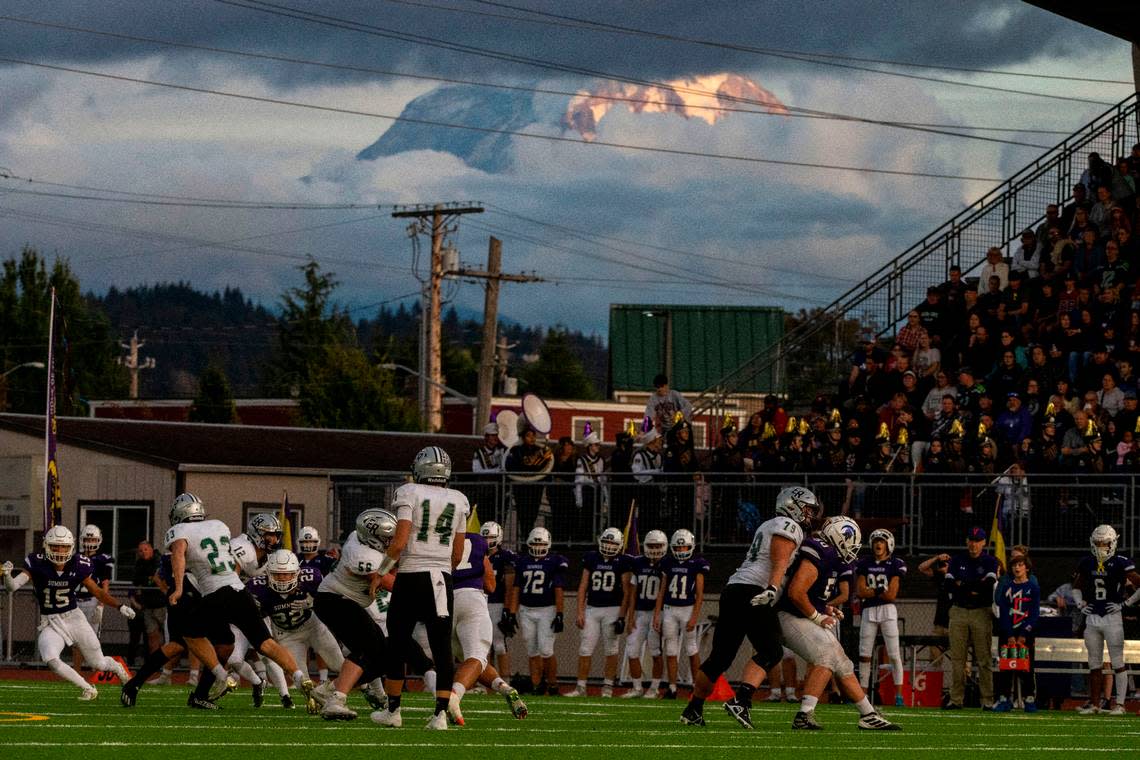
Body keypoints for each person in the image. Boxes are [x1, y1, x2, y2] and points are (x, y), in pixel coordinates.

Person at [679, 486, 820, 727]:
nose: (809, 514)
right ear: (792, 505)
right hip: (755, 590)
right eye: (806, 508)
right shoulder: (789, 526)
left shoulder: (769, 524)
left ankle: (693, 708)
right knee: (771, 651)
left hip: (734, 588)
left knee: (720, 658)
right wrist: (773, 589)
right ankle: (741, 701)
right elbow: (779, 560)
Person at [164, 493, 314, 711]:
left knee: (189, 633)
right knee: (266, 643)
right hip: (239, 592)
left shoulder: (181, 532)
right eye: (269, 535)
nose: (273, 539)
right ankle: (301, 678)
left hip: (218, 592)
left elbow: (179, 554)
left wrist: (178, 588)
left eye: (274, 536)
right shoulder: (220, 527)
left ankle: (222, 676)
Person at [372, 446, 469, 731]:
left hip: (411, 575)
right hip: (440, 576)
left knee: (397, 643)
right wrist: (443, 572)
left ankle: (394, 711)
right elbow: (458, 551)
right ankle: (439, 715)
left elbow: (400, 541)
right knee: (441, 646)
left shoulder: (408, 492)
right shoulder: (459, 499)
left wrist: (382, 572)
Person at [1, 526, 133, 700]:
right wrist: (8, 576)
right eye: (55, 546)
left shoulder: (79, 564)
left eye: (64, 546)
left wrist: (119, 606)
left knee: (98, 663)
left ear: (71, 547)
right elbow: (13, 587)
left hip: (74, 618)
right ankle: (88, 688)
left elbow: (98, 591)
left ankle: (117, 668)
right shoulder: (37, 562)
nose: (60, 550)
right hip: (50, 622)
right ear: (46, 546)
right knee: (50, 658)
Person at [310, 508, 397, 720]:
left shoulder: (358, 538)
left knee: (383, 655)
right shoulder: (363, 556)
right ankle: (336, 700)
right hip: (334, 600)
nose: (390, 542)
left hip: (345, 601)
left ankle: (328, 690)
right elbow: (392, 584)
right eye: (387, 538)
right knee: (366, 647)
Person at [444, 529, 528, 725]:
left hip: (445, 600)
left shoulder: (437, 540)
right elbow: (490, 585)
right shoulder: (475, 541)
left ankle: (505, 688)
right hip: (471, 598)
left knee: (467, 659)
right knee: (477, 657)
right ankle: (454, 696)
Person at [249, 550, 343, 711]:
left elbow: (330, 597)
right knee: (300, 678)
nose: (283, 578)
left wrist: (313, 602)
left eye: (287, 574)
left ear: (297, 573)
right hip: (287, 635)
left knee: (339, 664)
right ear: (269, 573)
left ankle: (370, 689)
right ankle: (316, 699)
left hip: (313, 627)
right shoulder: (257, 587)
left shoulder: (312, 577)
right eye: (277, 574)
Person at [1071, 524, 1140, 715]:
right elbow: (1076, 586)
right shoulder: (1087, 562)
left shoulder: (1121, 562)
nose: (1101, 546)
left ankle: (1119, 704)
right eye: (1098, 543)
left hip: (1112, 616)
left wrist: (1125, 604)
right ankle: (1094, 704)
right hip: (1093, 617)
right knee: (1094, 662)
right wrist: (1080, 604)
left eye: (1104, 543)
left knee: (1117, 661)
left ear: (1113, 543)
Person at [568, 527, 631, 698]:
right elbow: (583, 586)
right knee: (585, 648)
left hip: (613, 609)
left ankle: (608, 688)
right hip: (592, 609)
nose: (609, 546)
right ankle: (581, 687)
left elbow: (627, 592)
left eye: (612, 543)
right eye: (607, 542)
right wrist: (580, 611)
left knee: (611, 649)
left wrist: (622, 616)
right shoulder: (592, 558)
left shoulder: (623, 561)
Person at [506, 526, 568, 696]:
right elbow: (517, 588)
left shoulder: (554, 561)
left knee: (546, 650)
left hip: (547, 610)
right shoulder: (523, 562)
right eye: (535, 543)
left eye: (541, 543)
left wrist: (560, 613)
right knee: (532, 650)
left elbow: (558, 589)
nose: (538, 546)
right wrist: (512, 613)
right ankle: (536, 685)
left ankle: (553, 685)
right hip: (526, 610)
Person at [944, 526, 1000, 710]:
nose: (973, 544)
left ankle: (987, 700)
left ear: (983, 542)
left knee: (983, 658)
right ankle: (956, 699)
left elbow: (988, 585)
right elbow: (949, 584)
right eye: (971, 540)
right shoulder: (957, 559)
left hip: (981, 612)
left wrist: (963, 585)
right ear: (967, 541)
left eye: (977, 541)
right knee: (958, 659)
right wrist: (974, 586)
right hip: (959, 610)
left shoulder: (991, 561)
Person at [653, 529, 709, 700]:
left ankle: (696, 687)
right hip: (670, 609)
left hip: (687, 609)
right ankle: (672, 688)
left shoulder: (697, 563)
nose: (681, 551)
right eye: (678, 548)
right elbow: (662, 590)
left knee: (691, 649)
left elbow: (700, 595)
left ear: (690, 547)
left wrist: (694, 617)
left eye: (684, 547)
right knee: (670, 649)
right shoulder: (668, 562)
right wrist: (657, 614)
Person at [855, 528, 908, 705]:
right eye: (876, 540)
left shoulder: (896, 563)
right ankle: (862, 694)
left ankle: (899, 695)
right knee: (864, 654)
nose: (878, 544)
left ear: (889, 544)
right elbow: (860, 590)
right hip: (869, 610)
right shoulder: (863, 563)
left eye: (882, 541)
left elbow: (891, 594)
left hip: (887, 610)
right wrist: (879, 590)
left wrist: (872, 592)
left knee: (894, 654)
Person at [622, 529, 667, 699]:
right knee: (632, 650)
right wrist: (630, 616)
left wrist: (658, 615)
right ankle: (637, 687)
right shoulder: (638, 563)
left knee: (655, 651)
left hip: (658, 613)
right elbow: (633, 592)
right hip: (640, 613)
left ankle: (654, 688)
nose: (655, 549)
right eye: (651, 545)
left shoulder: (666, 563)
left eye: (658, 545)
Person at [992, 554, 1040, 713]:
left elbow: (1034, 613)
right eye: (1014, 565)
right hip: (1008, 634)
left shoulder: (1032, 588)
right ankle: (1004, 699)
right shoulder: (1007, 587)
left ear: (1026, 568)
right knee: (1006, 666)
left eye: (1020, 565)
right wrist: (1010, 634)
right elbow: (1004, 612)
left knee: (1026, 666)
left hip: (1025, 634)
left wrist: (1023, 634)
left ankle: (1029, 699)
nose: (1017, 568)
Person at [72, 525, 114, 673]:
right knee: (77, 640)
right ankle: (76, 672)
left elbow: (105, 583)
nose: (90, 541)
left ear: (99, 540)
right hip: (76, 601)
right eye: (87, 538)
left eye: (93, 538)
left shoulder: (103, 559)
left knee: (93, 640)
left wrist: (101, 604)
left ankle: (96, 670)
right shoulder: (75, 557)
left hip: (93, 601)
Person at [482, 521, 517, 679]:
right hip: (480, 603)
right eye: (485, 536)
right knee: (483, 646)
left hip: (497, 604)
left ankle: (505, 679)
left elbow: (510, 587)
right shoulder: (478, 554)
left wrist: (507, 609)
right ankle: (486, 683)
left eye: (491, 536)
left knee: (499, 645)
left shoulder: (505, 557)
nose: (488, 539)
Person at [129, 540, 167, 671]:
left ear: (151, 549)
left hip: (162, 604)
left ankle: (168, 666)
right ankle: (155, 666)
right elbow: (136, 582)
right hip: (148, 605)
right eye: (140, 550)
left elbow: (160, 578)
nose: (143, 552)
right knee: (152, 636)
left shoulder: (159, 560)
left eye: (145, 549)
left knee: (167, 637)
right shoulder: (139, 564)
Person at [574, 430, 607, 542]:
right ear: (589, 446)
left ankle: (595, 539)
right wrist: (579, 499)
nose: (598, 446)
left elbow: (602, 479)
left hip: (598, 492)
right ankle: (586, 540)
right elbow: (579, 480)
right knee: (587, 518)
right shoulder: (581, 460)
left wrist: (606, 497)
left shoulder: (601, 459)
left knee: (597, 518)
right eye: (596, 444)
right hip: (587, 492)